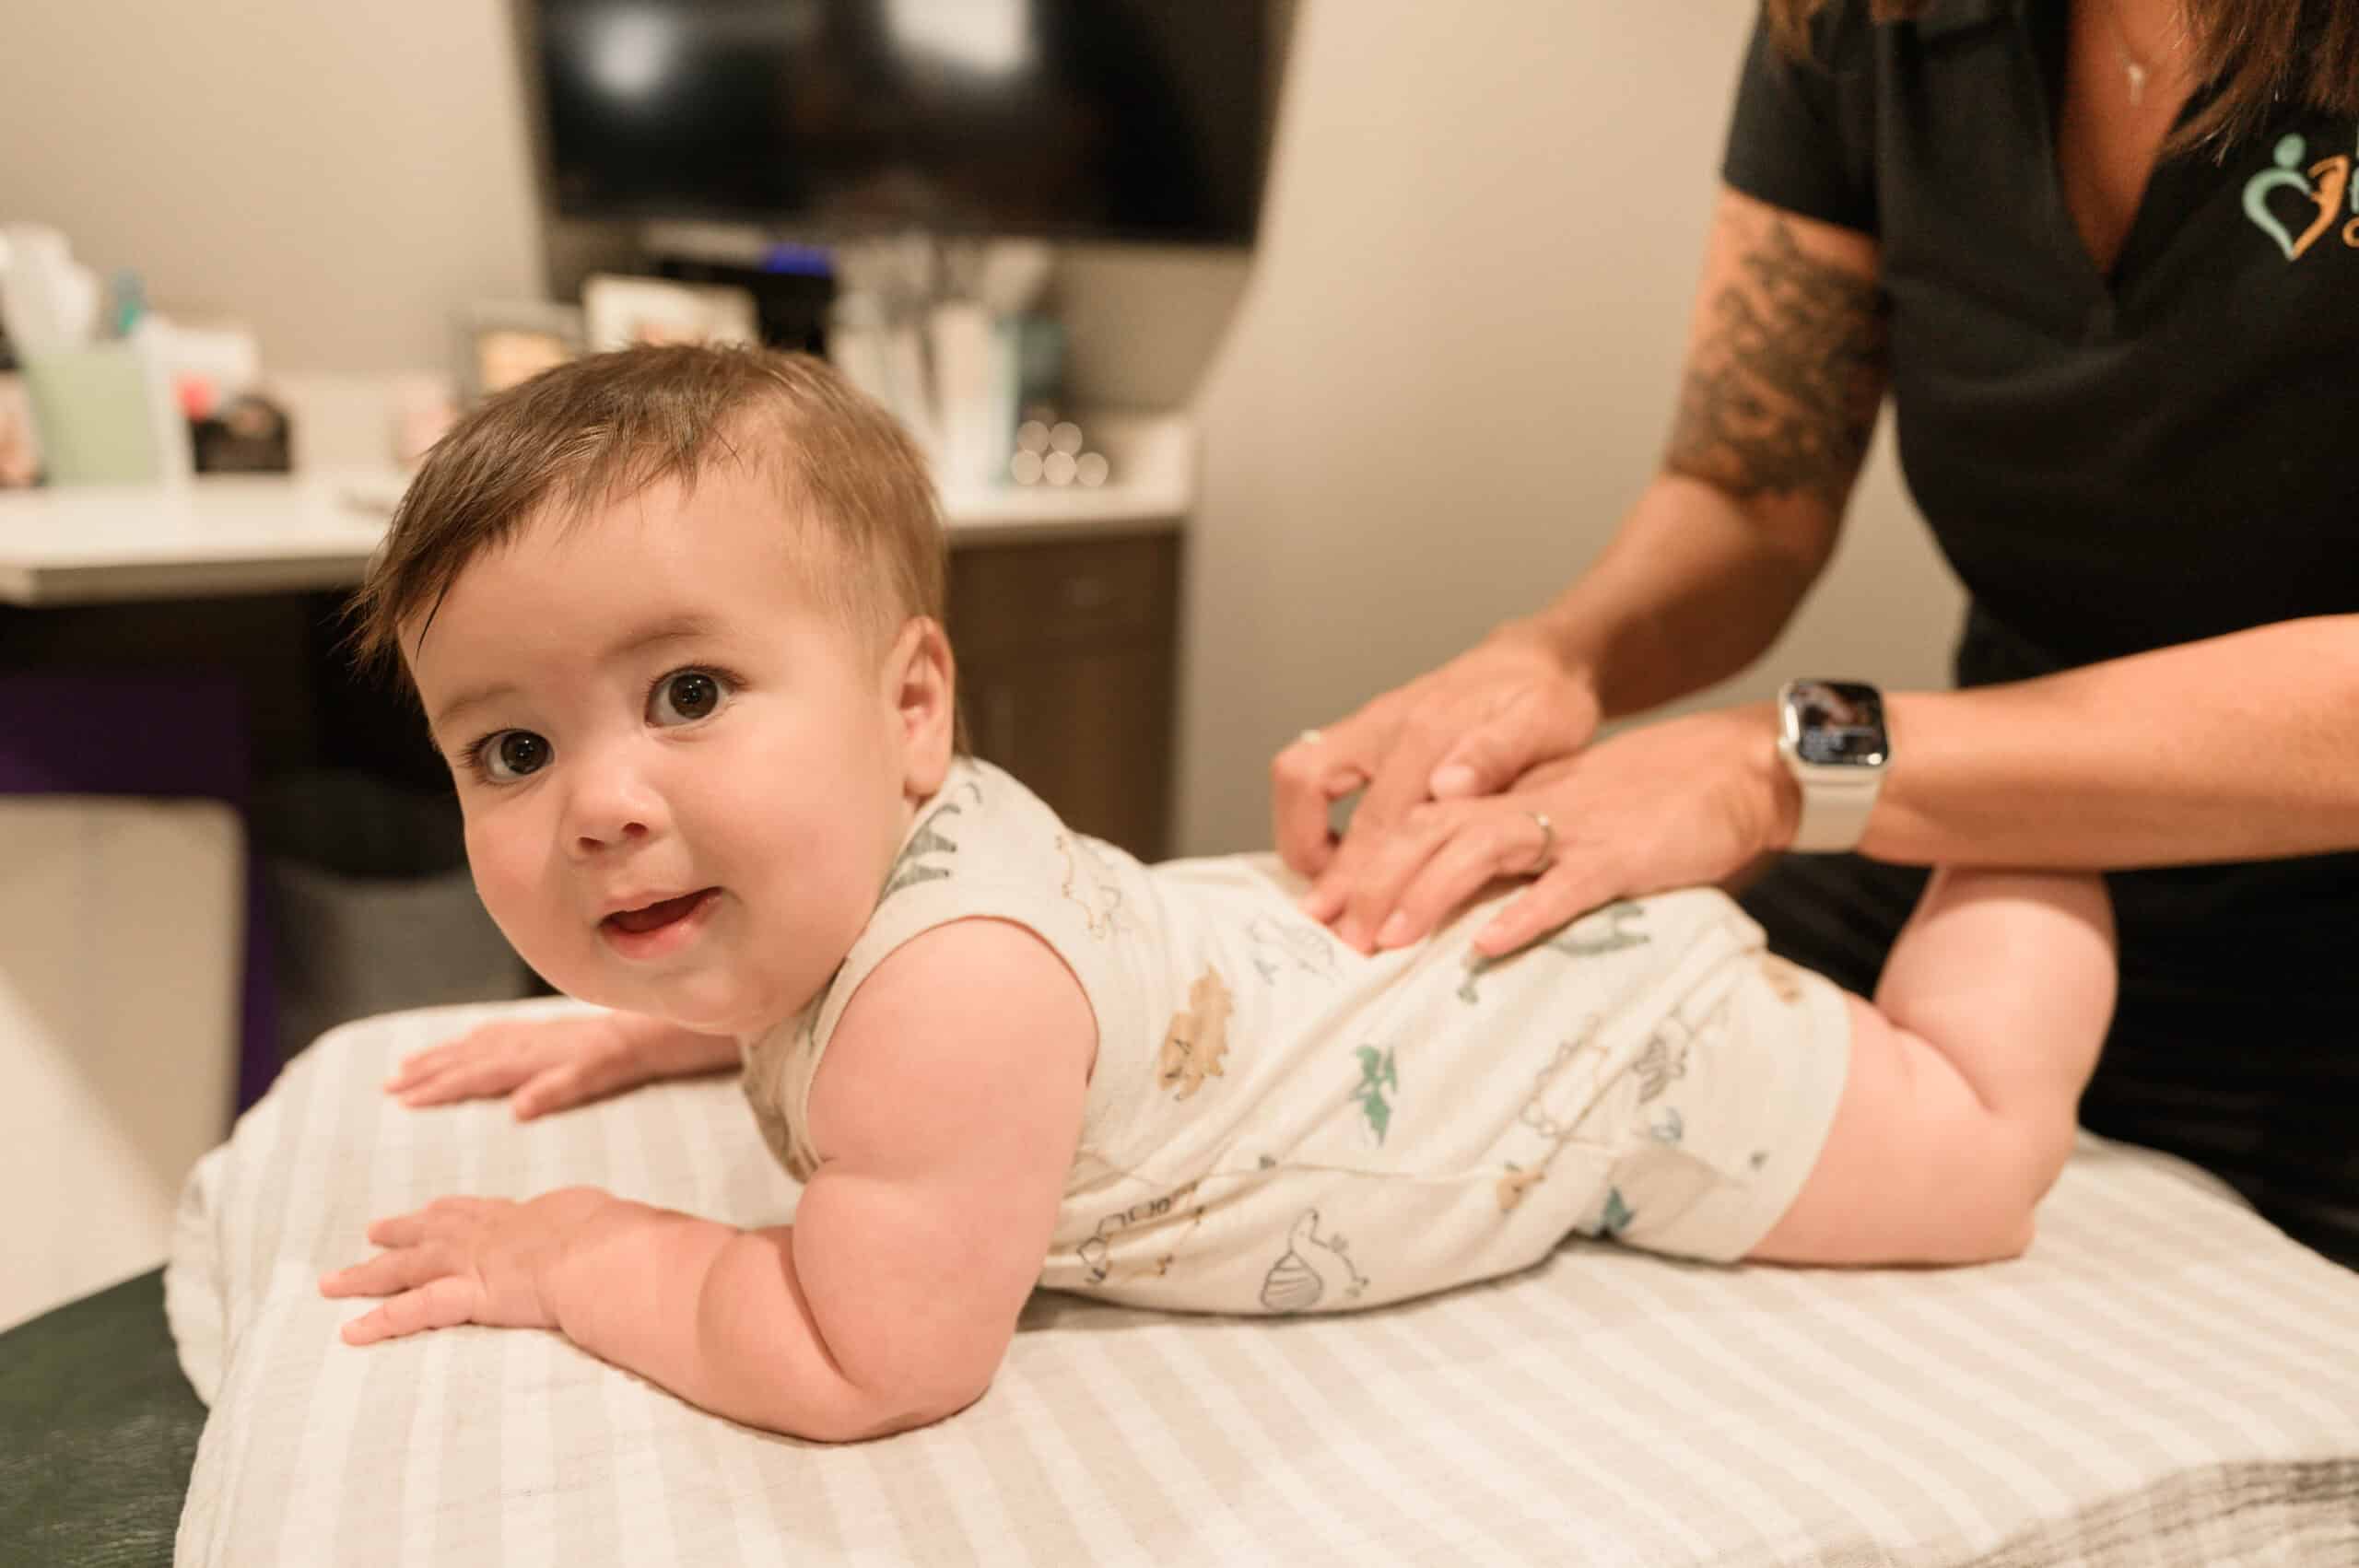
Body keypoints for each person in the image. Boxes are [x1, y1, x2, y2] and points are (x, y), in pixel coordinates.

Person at [316, 345, 2112, 1444]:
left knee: (1976, 1156)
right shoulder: (875, 869)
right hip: (1392, 966)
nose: (603, 804)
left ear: (909, 707)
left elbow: (859, 1350)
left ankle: (2042, 824)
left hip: (1591, 1047)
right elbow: (852, 989)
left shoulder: (951, 999)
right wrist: (681, 1033)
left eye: (687, 694)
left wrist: (577, 1249)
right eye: (508, 751)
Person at [1270, 0, 2359, 1268]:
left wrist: (1783, 763)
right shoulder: (1865, 23)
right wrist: (1563, 655)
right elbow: (1750, 490)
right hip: (1986, 866)